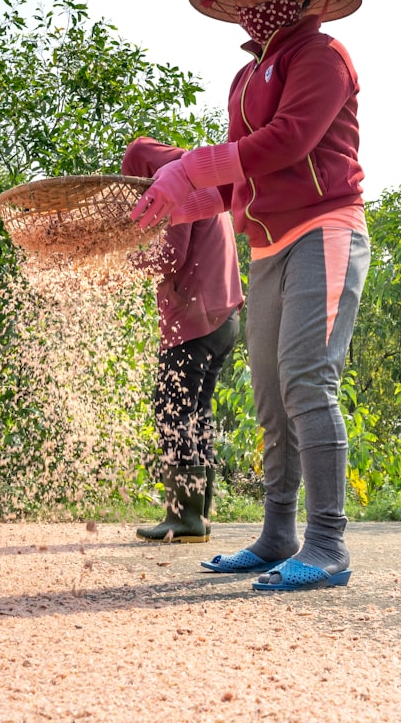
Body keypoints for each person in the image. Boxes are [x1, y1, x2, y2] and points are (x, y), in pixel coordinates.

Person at [130, 0, 369, 591]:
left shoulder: (322, 57)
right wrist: (170, 203)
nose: (244, 3)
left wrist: (191, 167)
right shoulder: (245, 77)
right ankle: (278, 534)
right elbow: (238, 183)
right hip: (267, 245)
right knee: (270, 395)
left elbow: (288, 141)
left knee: (307, 382)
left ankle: (327, 543)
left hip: (324, 230)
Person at [124, 140, 244, 544]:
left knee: (171, 410)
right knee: (196, 414)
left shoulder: (173, 184)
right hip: (224, 318)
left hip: (195, 320)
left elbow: (170, 257)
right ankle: (199, 514)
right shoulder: (200, 174)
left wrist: (122, 263)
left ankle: (184, 516)